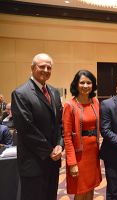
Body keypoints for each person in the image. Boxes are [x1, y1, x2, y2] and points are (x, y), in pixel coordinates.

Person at [11, 53, 64, 200]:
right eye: (42, 66)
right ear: (33, 67)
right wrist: (49, 151)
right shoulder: (20, 93)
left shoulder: (54, 92)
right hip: (33, 162)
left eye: (49, 67)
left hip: (53, 161)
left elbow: (59, 122)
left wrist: (60, 145)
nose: (46, 70)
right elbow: (27, 129)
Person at [63, 70, 102, 200]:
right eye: (82, 83)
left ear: (93, 85)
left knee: (91, 187)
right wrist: (72, 163)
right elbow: (67, 137)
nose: (86, 86)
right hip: (79, 154)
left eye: (89, 83)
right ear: (76, 85)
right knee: (80, 190)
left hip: (93, 152)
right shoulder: (70, 105)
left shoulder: (95, 102)